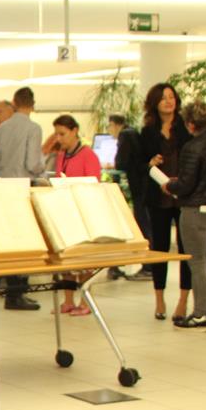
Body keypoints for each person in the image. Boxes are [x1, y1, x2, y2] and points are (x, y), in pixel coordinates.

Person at [165, 101, 206, 330]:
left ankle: (199, 313)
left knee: (198, 263)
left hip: (195, 212)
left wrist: (169, 186)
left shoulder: (192, 148)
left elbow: (186, 184)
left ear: (191, 124)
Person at [0, 87, 45, 311]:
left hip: (0, 190)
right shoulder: (33, 128)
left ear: (14, 102)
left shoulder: (0, 130)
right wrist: (43, 170)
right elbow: (32, 163)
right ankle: (17, 294)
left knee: (6, 242)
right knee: (25, 241)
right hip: (21, 190)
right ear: (33, 104)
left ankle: (6, 292)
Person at [140, 82, 192, 321]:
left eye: (172, 97)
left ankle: (183, 300)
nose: (169, 101)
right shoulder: (147, 132)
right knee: (159, 249)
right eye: (163, 98)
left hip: (183, 196)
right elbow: (139, 164)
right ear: (155, 103)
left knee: (185, 249)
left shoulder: (186, 127)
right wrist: (150, 163)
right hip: (158, 198)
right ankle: (159, 298)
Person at [50, 115, 102, 315]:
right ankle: (68, 300)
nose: (59, 138)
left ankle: (86, 303)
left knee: (84, 261)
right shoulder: (62, 154)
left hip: (84, 212)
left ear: (74, 131)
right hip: (66, 211)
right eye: (56, 134)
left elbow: (93, 183)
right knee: (67, 260)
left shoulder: (88, 155)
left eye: (62, 134)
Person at [108, 113, 153, 280]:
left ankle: (148, 267)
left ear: (114, 124)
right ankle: (149, 266)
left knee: (143, 225)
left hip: (138, 187)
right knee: (145, 224)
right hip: (144, 186)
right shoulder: (133, 132)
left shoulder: (125, 135)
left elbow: (121, 162)